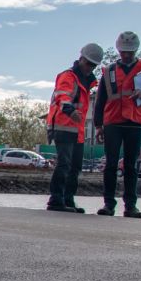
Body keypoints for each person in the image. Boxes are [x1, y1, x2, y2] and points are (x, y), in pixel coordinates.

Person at [94, 31, 141, 218]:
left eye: (129, 52)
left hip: (135, 122)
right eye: (123, 51)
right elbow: (100, 100)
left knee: (131, 166)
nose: (126, 55)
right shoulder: (108, 71)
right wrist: (98, 125)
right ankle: (108, 204)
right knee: (110, 164)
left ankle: (130, 206)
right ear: (118, 50)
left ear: (135, 50)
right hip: (113, 122)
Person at [45, 42, 102, 213]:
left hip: (76, 129)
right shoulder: (68, 76)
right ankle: (56, 199)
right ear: (81, 59)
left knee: (75, 166)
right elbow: (63, 95)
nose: (90, 68)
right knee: (64, 164)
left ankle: (68, 199)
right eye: (88, 63)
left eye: (93, 65)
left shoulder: (86, 81)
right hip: (63, 127)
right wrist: (70, 110)